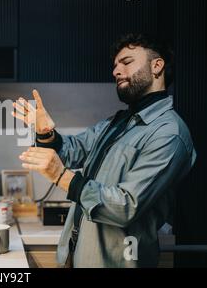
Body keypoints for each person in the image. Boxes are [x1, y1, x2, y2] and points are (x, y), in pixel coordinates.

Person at [12, 33, 196, 267]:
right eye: (115, 65)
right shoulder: (117, 122)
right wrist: (46, 133)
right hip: (77, 255)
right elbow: (72, 151)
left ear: (157, 66)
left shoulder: (169, 134)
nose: (116, 71)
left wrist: (62, 177)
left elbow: (125, 206)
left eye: (126, 62)